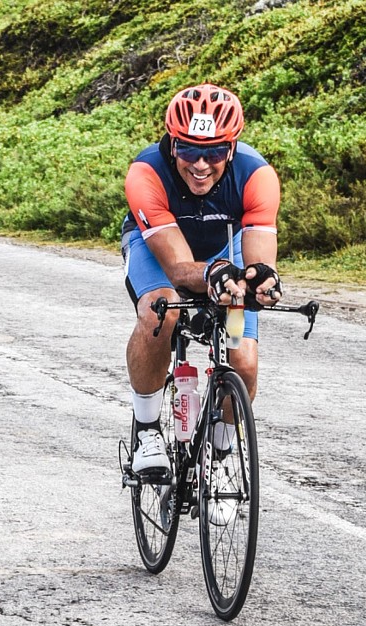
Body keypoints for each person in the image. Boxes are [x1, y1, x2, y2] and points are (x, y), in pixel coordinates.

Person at [121, 83, 282, 477]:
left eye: (212, 152)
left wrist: (259, 279)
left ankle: (222, 458)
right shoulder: (146, 175)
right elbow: (177, 269)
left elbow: (257, 256)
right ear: (172, 144)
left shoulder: (257, 175)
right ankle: (146, 431)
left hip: (224, 251)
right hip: (157, 250)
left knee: (241, 356)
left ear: (231, 148)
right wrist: (213, 273)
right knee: (161, 312)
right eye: (189, 150)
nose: (200, 164)